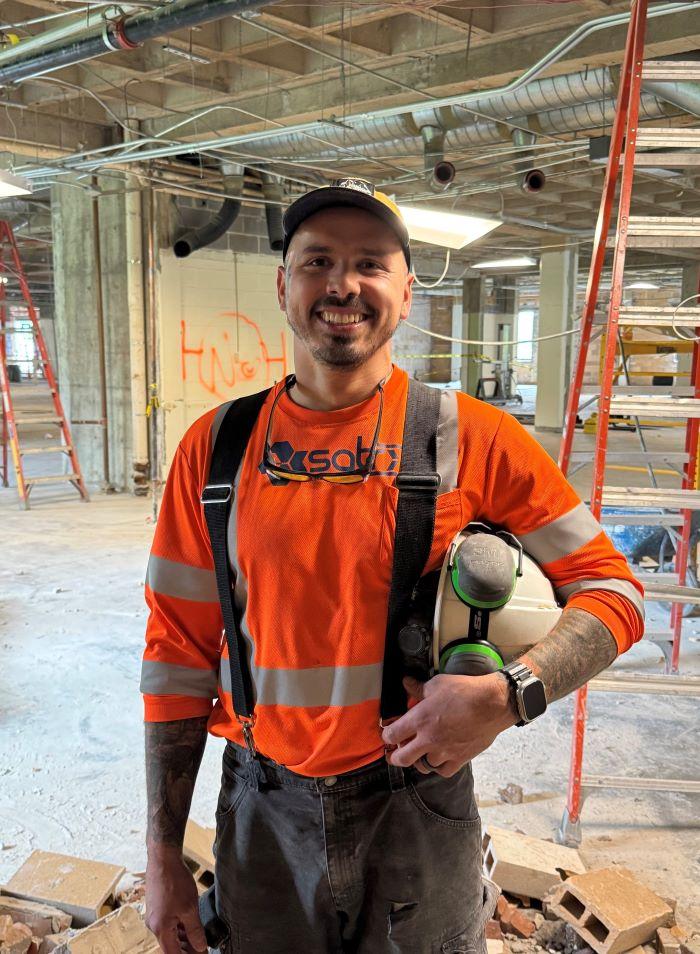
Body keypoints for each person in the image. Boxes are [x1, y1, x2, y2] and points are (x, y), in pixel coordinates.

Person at [141, 178, 644, 954]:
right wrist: (162, 855)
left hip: (418, 810)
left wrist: (510, 695)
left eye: (370, 263)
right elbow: (175, 654)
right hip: (263, 811)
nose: (343, 285)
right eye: (318, 261)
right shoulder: (215, 449)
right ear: (283, 285)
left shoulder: (471, 436)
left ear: (407, 293)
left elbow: (612, 590)